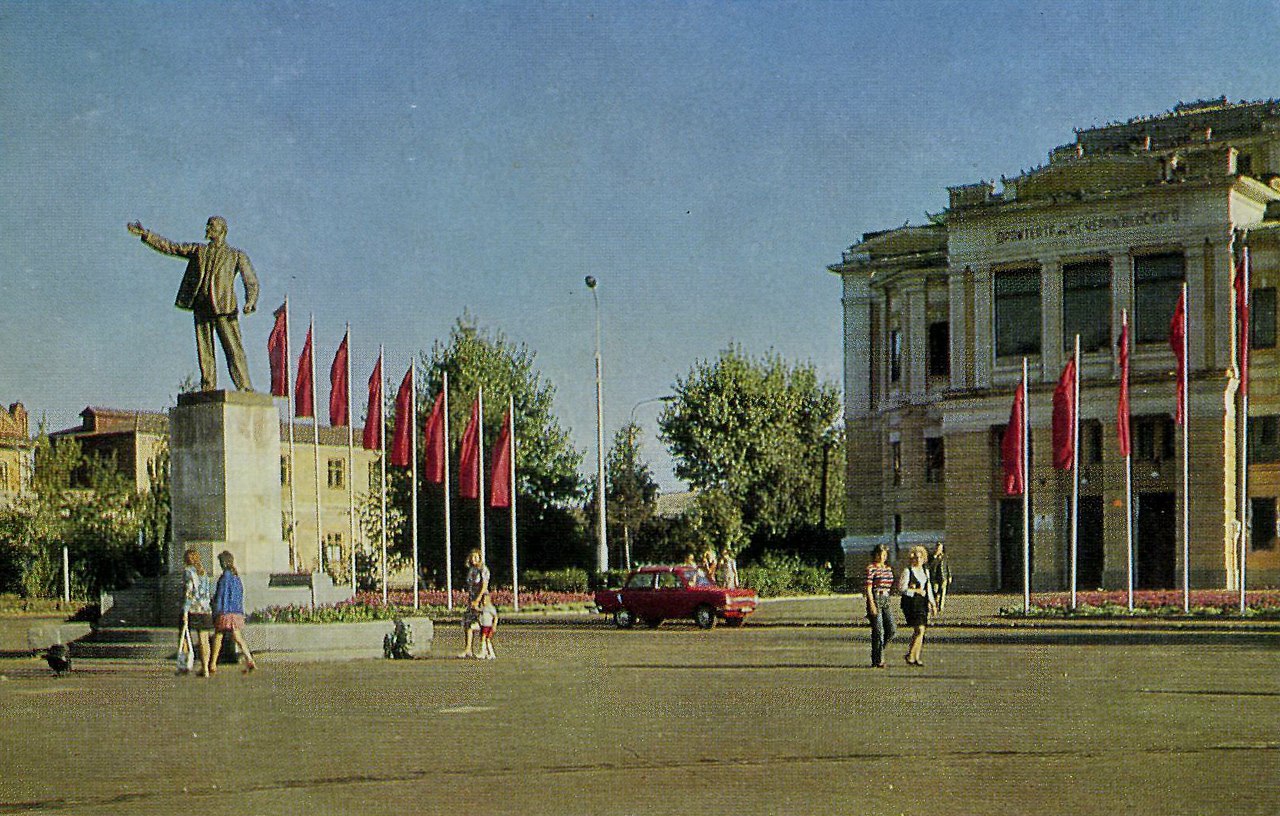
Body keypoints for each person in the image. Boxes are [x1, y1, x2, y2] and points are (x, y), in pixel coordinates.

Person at [127, 217, 259, 391]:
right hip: (202, 305)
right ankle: (208, 386)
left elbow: (250, 281)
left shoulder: (236, 255)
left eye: (211, 226)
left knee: (234, 349)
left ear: (222, 230)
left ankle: (245, 386)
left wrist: (250, 301)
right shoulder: (199, 250)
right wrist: (147, 235)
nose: (207, 228)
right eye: (208, 225)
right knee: (205, 352)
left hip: (224, 307)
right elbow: (172, 247)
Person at [209, 550, 256, 674]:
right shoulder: (237, 578)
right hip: (236, 611)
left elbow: (220, 597)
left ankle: (213, 663)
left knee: (218, 636)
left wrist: (216, 611)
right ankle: (249, 658)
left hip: (225, 611)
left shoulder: (224, 578)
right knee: (238, 637)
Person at [897, 546, 936, 667]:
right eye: (915, 557)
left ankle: (914, 656)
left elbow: (928, 589)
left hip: (922, 603)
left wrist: (933, 603)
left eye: (920, 557)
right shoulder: (908, 571)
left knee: (921, 631)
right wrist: (915, 591)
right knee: (919, 629)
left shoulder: (925, 571)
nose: (918, 560)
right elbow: (902, 588)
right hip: (911, 604)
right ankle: (910, 655)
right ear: (911, 559)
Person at [180, 548, 213, 677]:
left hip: (194, 609)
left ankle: (185, 664)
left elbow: (189, 593)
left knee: (186, 636)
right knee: (204, 639)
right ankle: (205, 668)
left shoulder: (188, 572)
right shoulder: (203, 573)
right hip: (206, 609)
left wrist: (185, 610)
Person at [863, 544, 896, 668]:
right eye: (881, 554)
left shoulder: (887, 568)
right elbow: (868, 587)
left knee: (892, 629)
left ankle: (878, 650)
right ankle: (878, 659)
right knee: (879, 630)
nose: (883, 557)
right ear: (876, 555)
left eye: (885, 555)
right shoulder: (871, 568)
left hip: (886, 599)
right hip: (876, 598)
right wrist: (871, 603)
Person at [457, 549, 490, 659]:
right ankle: (468, 649)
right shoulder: (471, 570)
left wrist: (478, 600)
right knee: (468, 623)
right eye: (472, 557)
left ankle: (484, 649)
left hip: (481, 599)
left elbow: (484, 586)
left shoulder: (483, 569)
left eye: (476, 557)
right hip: (472, 599)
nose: (473, 559)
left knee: (483, 624)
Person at [928, 542, 953, 614]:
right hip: (935, 577)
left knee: (942, 591)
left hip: (943, 577)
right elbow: (930, 566)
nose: (938, 549)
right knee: (935, 591)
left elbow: (947, 567)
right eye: (937, 548)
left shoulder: (944, 557)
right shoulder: (932, 556)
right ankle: (935, 603)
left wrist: (949, 576)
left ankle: (940, 606)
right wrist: (934, 557)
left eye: (940, 548)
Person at [476, 591, 498, 660]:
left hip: (488, 626)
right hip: (483, 625)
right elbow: (479, 612)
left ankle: (489, 653)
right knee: (483, 639)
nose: (484, 601)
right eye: (483, 600)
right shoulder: (483, 608)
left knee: (486, 639)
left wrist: (494, 625)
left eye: (485, 600)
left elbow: (495, 617)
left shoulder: (490, 608)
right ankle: (485, 652)